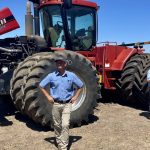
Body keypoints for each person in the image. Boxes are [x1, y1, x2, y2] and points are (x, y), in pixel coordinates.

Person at [39, 56, 83, 150]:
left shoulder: (71, 75)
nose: (59, 64)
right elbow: (41, 86)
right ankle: (59, 141)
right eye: (57, 62)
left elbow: (81, 86)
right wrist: (48, 97)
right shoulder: (51, 76)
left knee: (65, 124)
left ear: (65, 64)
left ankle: (63, 146)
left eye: (61, 62)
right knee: (57, 125)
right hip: (56, 104)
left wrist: (75, 97)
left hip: (67, 104)